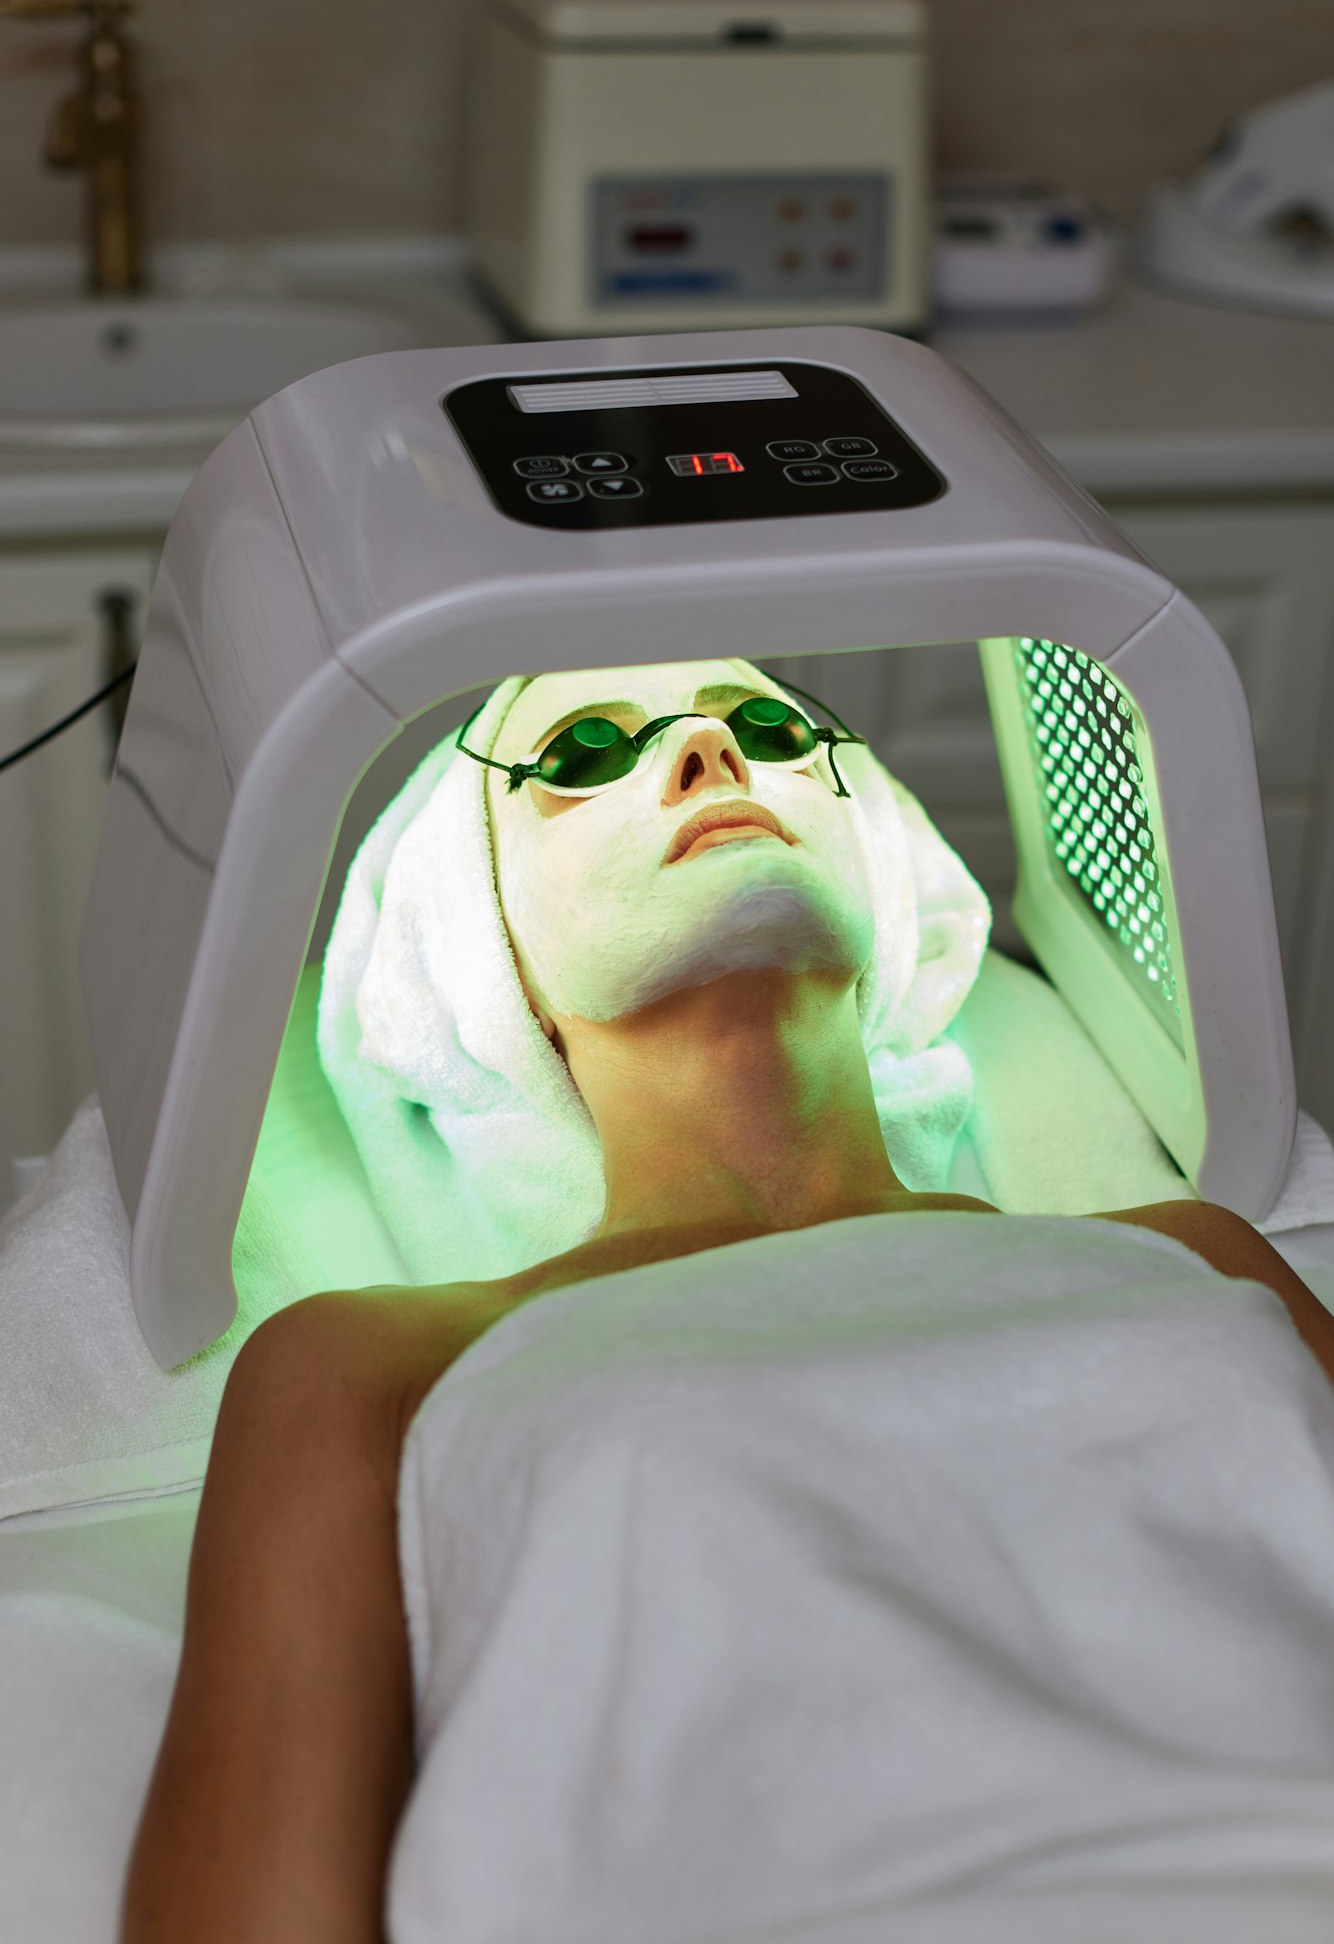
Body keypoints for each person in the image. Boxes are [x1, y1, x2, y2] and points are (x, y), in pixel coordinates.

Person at [120, 660, 1334, 1944]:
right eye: (584, 751)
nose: (708, 745)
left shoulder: (1191, 1253)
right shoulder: (369, 1363)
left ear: (874, 870)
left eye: (768, 726)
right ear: (489, 953)